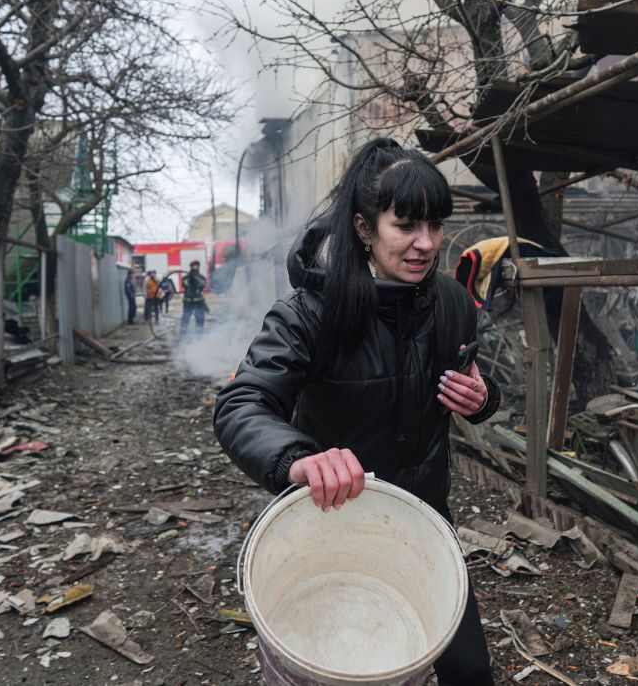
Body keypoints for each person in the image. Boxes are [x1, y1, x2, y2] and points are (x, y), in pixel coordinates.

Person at [214, 138, 500, 685]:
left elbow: (479, 385)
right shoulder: (311, 312)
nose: (425, 244)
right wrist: (299, 460)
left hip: (423, 526)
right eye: (406, 226)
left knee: (469, 671)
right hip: (332, 526)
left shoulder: (453, 304)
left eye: (435, 226)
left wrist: (484, 400)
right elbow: (241, 403)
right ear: (365, 228)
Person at [181, 260, 208, 336]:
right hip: (188, 302)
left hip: (198, 302)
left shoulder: (202, 277)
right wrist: (191, 278)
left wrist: (197, 279)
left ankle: (199, 336)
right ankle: (183, 335)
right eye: (194, 266)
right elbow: (185, 285)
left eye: (197, 266)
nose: (195, 267)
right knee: (185, 318)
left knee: (200, 319)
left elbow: (203, 285)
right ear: (191, 267)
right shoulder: (186, 278)